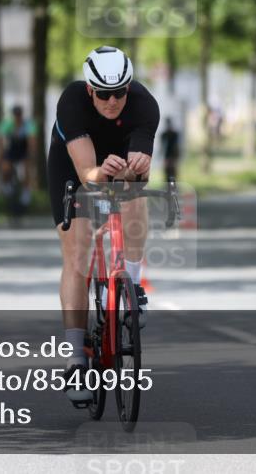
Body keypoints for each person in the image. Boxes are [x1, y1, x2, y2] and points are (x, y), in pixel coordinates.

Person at [48, 46, 159, 405]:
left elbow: (140, 173)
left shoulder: (144, 105)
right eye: (105, 94)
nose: (113, 101)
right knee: (77, 256)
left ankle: (133, 282)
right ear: (90, 90)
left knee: (135, 194)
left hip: (119, 161)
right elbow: (88, 175)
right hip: (74, 168)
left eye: (120, 93)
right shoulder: (72, 103)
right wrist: (102, 173)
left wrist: (131, 170)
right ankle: (77, 358)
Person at [0, 104, 37, 205]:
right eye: (15, 115)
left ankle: (26, 191)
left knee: (26, 169)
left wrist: (31, 155)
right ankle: (7, 184)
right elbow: (0, 141)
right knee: (5, 167)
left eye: (19, 115)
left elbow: (32, 142)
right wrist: (0, 156)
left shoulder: (28, 124)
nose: (17, 117)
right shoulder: (7, 124)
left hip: (23, 149)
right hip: (12, 149)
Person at [160, 118, 181, 184]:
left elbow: (176, 146)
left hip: (172, 155)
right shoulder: (165, 134)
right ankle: (168, 185)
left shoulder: (174, 134)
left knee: (172, 171)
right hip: (168, 155)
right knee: (168, 171)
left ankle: (172, 185)